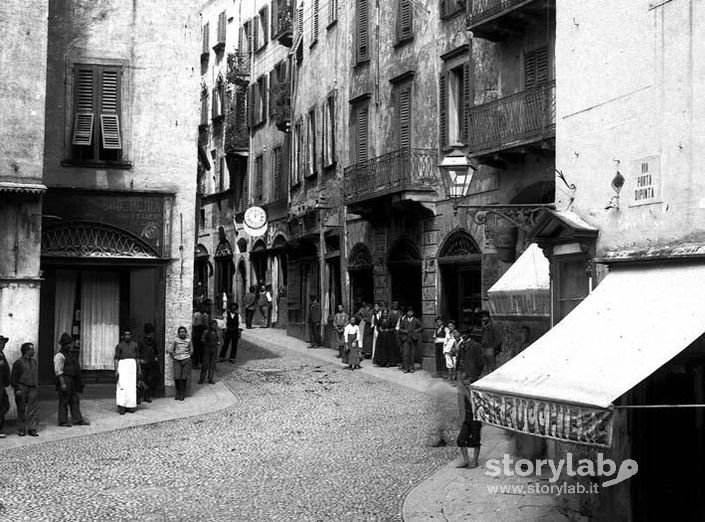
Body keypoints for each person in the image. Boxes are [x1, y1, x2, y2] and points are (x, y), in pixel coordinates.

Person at [456, 332, 485, 468]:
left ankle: (475, 460)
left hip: (475, 418)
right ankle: (466, 460)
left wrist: (473, 376)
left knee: (475, 440)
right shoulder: (462, 346)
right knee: (461, 440)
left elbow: (480, 362)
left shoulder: (477, 392)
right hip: (467, 419)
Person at [54, 333, 89, 427]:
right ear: (63, 345)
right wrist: (62, 383)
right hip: (65, 379)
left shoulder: (71, 354)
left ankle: (77, 419)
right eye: (67, 344)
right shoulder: (59, 356)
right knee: (64, 400)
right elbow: (58, 371)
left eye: (70, 343)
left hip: (73, 380)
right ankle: (63, 421)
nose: (69, 345)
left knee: (74, 399)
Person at [11, 342, 39, 436]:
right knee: (21, 408)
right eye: (32, 349)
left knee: (32, 409)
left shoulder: (34, 361)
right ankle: (21, 428)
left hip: (32, 388)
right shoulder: (18, 363)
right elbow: (14, 377)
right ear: (27, 351)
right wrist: (17, 389)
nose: (34, 351)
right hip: (22, 387)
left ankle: (32, 428)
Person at [115, 330, 140, 415]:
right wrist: (116, 370)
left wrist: (139, 370)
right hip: (123, 366)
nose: (127, 336)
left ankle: (130, 405)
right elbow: (116, 359)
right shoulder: (119, 346)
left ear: (131, 336)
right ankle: (121, 406)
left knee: (131, 386)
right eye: (126, 335)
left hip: (132, 367)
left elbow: (137, 358)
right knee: (122, 386)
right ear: (123, 336)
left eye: (129, 335)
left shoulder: (135, 345)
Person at [168, 326, 193, 401]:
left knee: (184, 377)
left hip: (186, 360)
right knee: (177, 377)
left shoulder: (189, 341)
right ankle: (178, 392)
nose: (182, 333)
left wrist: (188, 358)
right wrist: (174, 357)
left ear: (186, 333)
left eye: (183, 332)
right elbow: (171, 350)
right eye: (180, 332)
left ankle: (182, 393)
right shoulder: (176, 340)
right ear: (178, 333)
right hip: (177, 360)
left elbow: (191, 350)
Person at [138, 323, 159, 403]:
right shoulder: (141, 341)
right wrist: (139, 360)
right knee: (141, 381)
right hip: (143, 364)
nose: (150, 335)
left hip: (151, 363)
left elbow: (156, 351)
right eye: (149, 333)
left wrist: (155, 358)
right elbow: (138, 352)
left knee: (149, 381)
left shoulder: (153, 341)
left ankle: (147, 396)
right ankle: (139, 397)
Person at [398, 308, 423, 374]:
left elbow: (421, 327)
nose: (410, 313)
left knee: (412, 354)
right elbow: (400, 329)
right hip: (406, 339)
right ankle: (406, 368)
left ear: (413, 313)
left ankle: (412, 368)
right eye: (409, 312)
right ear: (407, 313)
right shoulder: (404, 320)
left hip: (413, 338)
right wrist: (404, 331)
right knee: (406, 354)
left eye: (411, 312)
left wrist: (416, 331)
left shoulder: (416, 320)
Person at [200, 319, 220, 384]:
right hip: (207, 349)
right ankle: (202, 378)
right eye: (212, 325)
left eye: (215, 325)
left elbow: (219, 340)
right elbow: (202, 339)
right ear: (210, 325)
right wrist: (206, 344)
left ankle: (210, 378)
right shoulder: (206, 332)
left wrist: (217, 343)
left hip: (214, 349)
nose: (214, 326)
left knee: (212, 365)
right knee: (205, 364)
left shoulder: (217, 332)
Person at [192, 301, 210, 369]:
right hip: (197, 332)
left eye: (205, 307)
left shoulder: (206, 315)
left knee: (203, 349)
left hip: (203, 333)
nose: (204, 308)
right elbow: (194, 324)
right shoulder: (196, 314)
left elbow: (207, 325)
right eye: (202, 307)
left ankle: (203, 363)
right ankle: (195, 363)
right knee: (196, 349)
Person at [0, 335, 10, 438]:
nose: (2, 345)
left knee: (5, 405)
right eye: (0, 343)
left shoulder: (2, 354)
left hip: (2, 385)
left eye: (3, 343)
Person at [388, 301, 403, 367]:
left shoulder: (400, 312)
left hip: (398, 330)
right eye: (394, 304)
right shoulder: (390, 312)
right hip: (391, 330)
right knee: (391, 345)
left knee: (398, 345)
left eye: (396, 304)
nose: (395, 305)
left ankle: (399, 359)